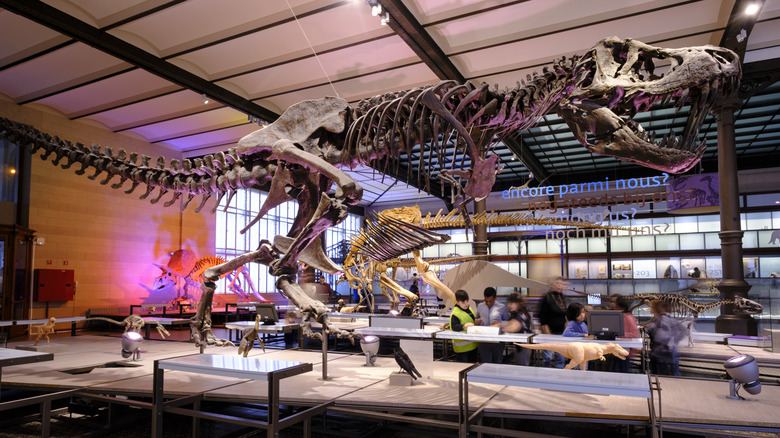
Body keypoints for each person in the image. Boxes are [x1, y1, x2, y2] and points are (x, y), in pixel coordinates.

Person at [643, 299, 686, 376]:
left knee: (661, 376)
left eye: (651, 307)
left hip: (660, 354)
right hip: (668, 352)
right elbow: (682, 330)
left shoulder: (661, 319)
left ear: (656, 308)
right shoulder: (667, 318)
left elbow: (659, 336)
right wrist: (674, 341)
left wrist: (670, 341)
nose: (650, 308)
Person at [496, 292, 533, 365]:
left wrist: (501, 329)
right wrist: (500, 324)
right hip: (519, 345)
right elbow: (512, 322)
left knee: (522, 367)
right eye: (509, 303)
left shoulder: (521, 313)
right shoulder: (516, 313)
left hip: (524, 346)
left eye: (512, 303)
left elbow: (516, 326)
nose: (509, 305)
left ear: (518, 303)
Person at [538, 277, 568, 368]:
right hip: (549, 332)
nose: (560, 286)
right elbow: (542, 316)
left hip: (561, 332)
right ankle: (546, 377)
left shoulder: (562, 297)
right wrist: (547, 333)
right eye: (557, 283)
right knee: (548, 358)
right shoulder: (547, 297)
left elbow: (564, 315)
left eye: (562, 284)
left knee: (561, 357)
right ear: (553, 285)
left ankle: (559, 377)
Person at [476, 287, 509, 363]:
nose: (488, 304)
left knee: (497, 364)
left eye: (490, 301)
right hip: (483, 340)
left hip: (497, 340)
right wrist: (477, 321)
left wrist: (500, 324)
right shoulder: (480, 306)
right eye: (486, 301)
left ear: (495, 298)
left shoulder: (502, 307)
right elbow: (476, 318)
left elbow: (508, 322)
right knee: (484, 364)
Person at [609, 295, 640, 373]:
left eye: (613, 302)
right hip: (615, 349)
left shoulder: (628, 317)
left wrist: (617, 334)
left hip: (624, 350)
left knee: (621, 372)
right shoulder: (617, 316)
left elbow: (634, 334)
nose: (610, 304)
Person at [450, 289, 479, 362]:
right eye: (463, 302)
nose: (466, 304)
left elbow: (470, 321)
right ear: (457, 302)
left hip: (473, 345)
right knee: (463, 368)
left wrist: (476, 322)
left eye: (467, 301)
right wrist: (464, 325)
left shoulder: (469, 308)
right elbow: (454, 327)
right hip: (462, 348)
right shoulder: (455, 313)